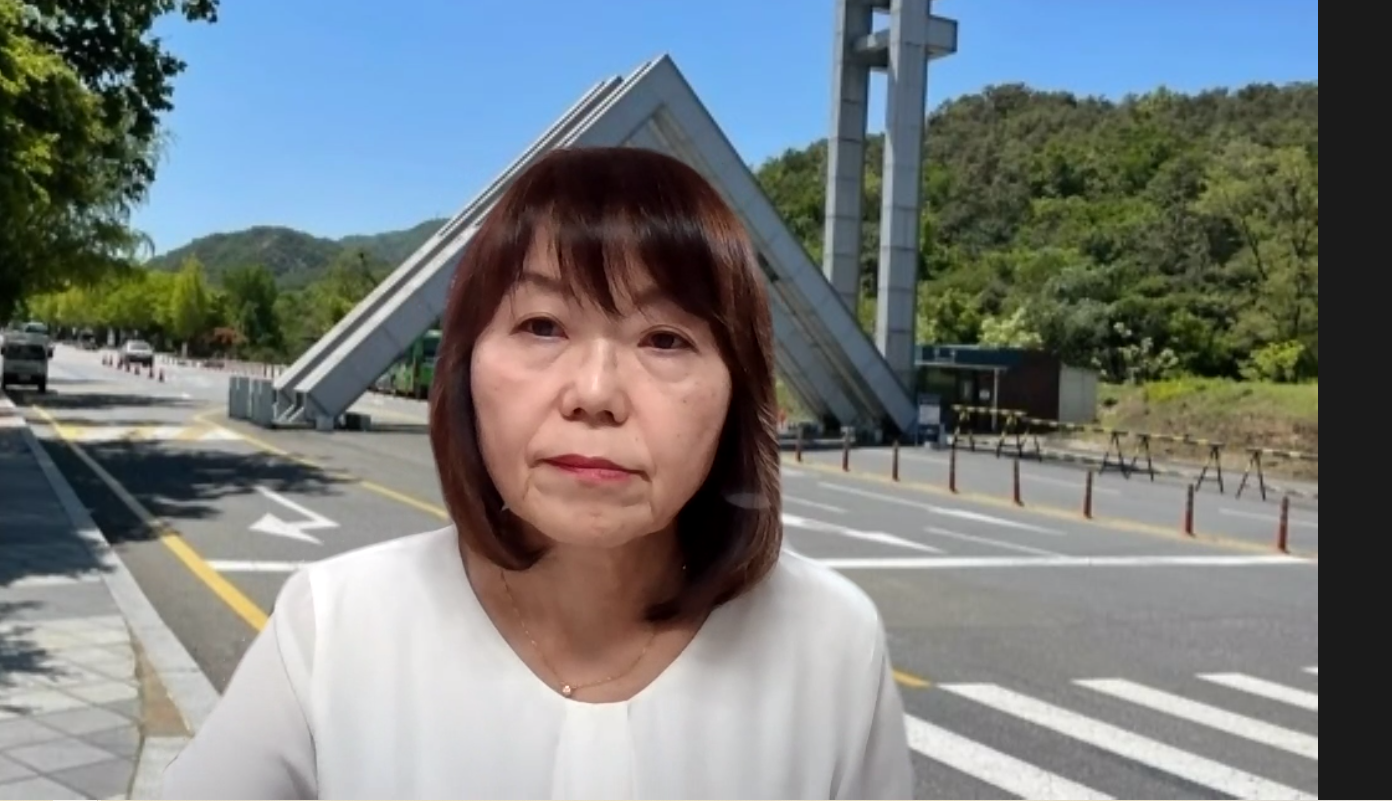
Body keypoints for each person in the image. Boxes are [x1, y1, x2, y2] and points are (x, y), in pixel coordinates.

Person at [163, 146, 914, 800]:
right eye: (543, 326)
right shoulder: (334, 629)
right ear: (464, 370)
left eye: (664, 339)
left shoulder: (830, 644)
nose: (596, 393)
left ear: (737, 394)